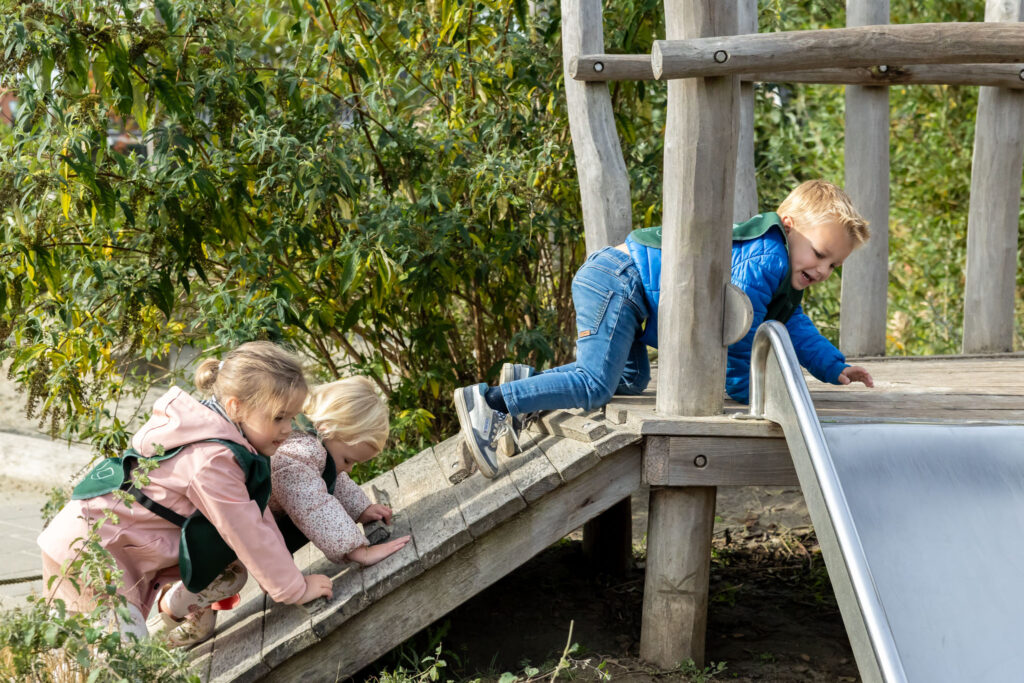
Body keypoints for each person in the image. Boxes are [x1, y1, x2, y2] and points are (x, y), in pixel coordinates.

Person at [454, 179, 875, 478]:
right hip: (618, 279)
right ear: (788, 225)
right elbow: (738, 335)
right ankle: (491, 402)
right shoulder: (768, 256)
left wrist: (833, 366)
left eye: (833, 265)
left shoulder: (782, 266)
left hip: (626, 288)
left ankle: (527, 381)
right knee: (594, 384)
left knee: (632, 380)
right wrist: (752, 395)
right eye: (820, 254)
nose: (822, 270)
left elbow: (792, 324)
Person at [38, 341, 334, 644]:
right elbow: (246, 532)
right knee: (120, 658)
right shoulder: (211, 460)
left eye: (292, 417)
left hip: (95, 544)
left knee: (77, 651)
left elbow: (254, 517)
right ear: (236, 407)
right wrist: (294, 589)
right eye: (278, 417)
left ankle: (170, 611)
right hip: (90, 554)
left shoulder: (217, 438)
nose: (288, 429)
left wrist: (287, 580)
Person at [152, 376, 411, 647]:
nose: (348, 468)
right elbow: (312, 505)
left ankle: (190, 610)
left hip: (238, 532)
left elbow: (330, 479)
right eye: (348, 459)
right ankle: (167, 614)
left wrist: (361, 508)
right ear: (327, 428)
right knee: (230, 577)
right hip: (221, 536)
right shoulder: (298, 454)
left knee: (217, 590)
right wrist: (359, 550)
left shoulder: (313, 445)